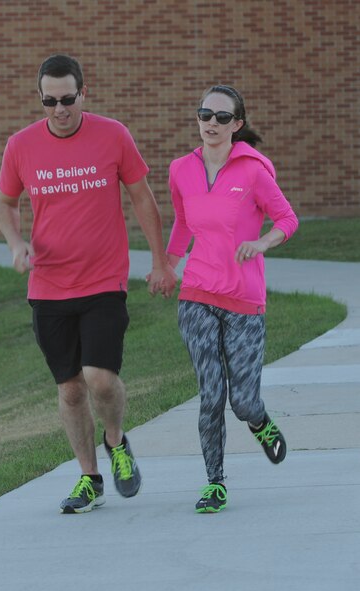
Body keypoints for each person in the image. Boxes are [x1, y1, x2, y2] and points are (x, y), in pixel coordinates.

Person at [0, 54, 177, 514]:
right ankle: (89, 479)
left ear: (83, 92)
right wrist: (16, 243)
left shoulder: (113, 134)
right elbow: (5, 204)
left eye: (68, 99)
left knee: (99, 378)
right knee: (71, 389)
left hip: (103, 279)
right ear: (41, 98)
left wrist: (160, 262)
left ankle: (116, 442)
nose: (59, 109)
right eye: (50, 101)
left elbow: (141, 197)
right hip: (49, 287)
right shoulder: (20, 146)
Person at [166, 84, 298, 513]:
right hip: (197, 294)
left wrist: (261, 244)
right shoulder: (180, 170)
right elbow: (183, 224)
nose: (212, 123)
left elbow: (287, 219)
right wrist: (167, 266)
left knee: (241, 402)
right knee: (210, 395)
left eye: (222, 117)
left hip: (244, 298)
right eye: (206, 114)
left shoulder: (254, 172)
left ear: (237, 125)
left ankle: (260, 421)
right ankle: (215, 483)